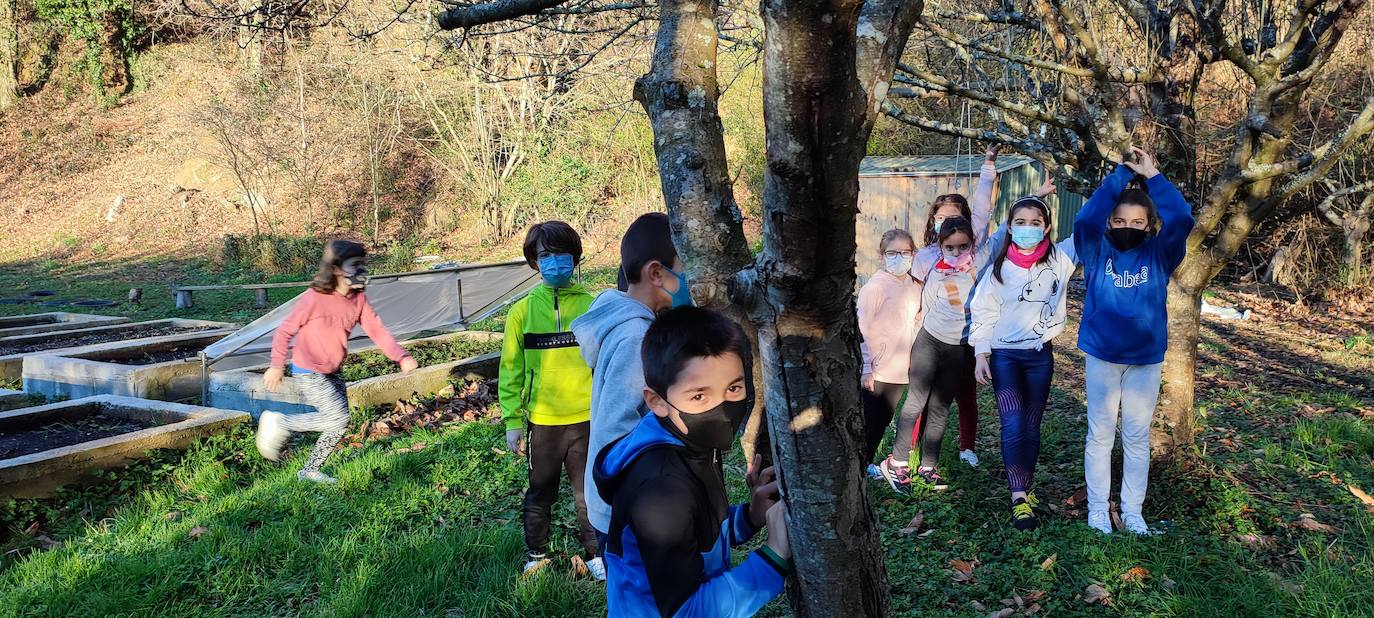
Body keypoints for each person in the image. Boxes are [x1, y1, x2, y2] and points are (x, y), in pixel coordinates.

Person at [594, 307, 790, 617]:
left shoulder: (692, 441)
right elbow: (685, 611)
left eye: (734, 388)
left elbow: (699, 535)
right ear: (657, 401)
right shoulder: (662, 492)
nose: (722, 409)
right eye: (699, 396)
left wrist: (749, 518)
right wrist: (774, 558)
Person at [1074, 147, 1194, 535]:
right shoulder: (1096, 250)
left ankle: (1133, 512)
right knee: (1101, 434)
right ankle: (1097, 509)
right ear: (1111, 221)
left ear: (1149, 225)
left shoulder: (1160, 254)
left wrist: (1152, 175)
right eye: (1120, 219)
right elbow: (1086, 218)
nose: (1129, 225)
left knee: (1137, 437)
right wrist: (1118, 178)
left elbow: (1181, 218)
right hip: (1103, 356)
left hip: (1145, 358)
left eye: (1138, 221)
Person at [571, 212, 691, 561]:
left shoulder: (625, 322)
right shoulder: (635, 336)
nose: (689, 281)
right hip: (625, 509)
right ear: (656, 273)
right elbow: (617, 429)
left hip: (622, 501)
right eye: (684, 270)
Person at [256, 239, 418, 484]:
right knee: (338, 418)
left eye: (363, 264)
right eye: (355, 265)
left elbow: (377, 330)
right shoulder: (315, 298)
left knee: (339, 423)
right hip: (308, 369)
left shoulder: (358, 299)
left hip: (334, 369)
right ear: (336, 269)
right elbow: (284, 331)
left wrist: (401, 356)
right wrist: (276, 365)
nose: (362, 271)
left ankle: (310, 470)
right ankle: (280, 422)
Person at [497, 221, 601, 576]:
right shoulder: (521, 313)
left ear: (576, 258)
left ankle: (597, 555)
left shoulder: (592, 307)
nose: (554, 262)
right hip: (542, 423)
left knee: (588, 494)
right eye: (545, 255)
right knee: (540, 493)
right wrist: (513, 421)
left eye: (561, 254)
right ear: (534, 262)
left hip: (587, 420)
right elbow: (510, 370)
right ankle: (536, 555)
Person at [969, 191, 1078, 530]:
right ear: (1010, 227)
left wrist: (1121, 178)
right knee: (1013, 422)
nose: (1028, 228)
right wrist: (981, 353)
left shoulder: (1061, 258)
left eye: (1035, 223)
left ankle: (1026, 487)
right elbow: (983, 312)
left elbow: (1091, 222)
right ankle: (1018, 497)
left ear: (1046, 228)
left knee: (1031, 425)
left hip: (1040, 356)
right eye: (1020, 223)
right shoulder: (998, 269)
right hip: (1005, 356)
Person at [880, 217, 994, 493]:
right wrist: (912, 350)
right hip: (929, 343)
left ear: (971, 245)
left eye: (963, 247)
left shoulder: (979, 273)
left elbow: (981, 317)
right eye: (950, 247)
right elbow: (925, 310)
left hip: (958, 349)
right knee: (916, 401)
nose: (956, 253)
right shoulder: (937, 274)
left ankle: (928, 466)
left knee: (941, 407)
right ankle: (896, 462)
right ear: (941, 246)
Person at [908, 146, 1001, 468]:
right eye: (941, 218)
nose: (947, 224)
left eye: (954, 218)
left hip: (966, 339)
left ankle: (966, 447)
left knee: (964, 395)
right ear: (934, 222)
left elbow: (983, 211)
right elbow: (915, 298)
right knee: (922, 395)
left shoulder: (975, 254)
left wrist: (988, 168)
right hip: (932, 338)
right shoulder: (926, 257)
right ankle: (909, 449)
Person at [857, 229, 921, 465]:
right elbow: (862, 329)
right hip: (876, 369)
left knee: (883, 419)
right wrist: (866, 368)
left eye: (905, 252)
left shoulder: (915, 286)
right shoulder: (874, 288)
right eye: (892, 253)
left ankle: (867, 463)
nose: (899, 257)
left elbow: (916, 322)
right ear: (881, 255)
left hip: (900, 370)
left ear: (913, 254)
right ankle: (859, 466)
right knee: (868, 420)